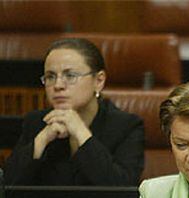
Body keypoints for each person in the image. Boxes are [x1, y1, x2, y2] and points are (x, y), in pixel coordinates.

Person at [4, 38, 144, 186]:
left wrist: (81, 133)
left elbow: (122, 190)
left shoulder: (126, 126)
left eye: (70, 76)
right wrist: (42, 140)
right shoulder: (37, 122)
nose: (58, 85)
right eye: (50, 76)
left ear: (99, 81)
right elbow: (7, 189)